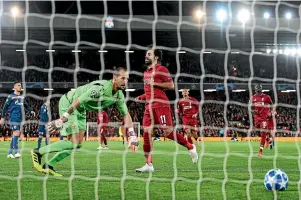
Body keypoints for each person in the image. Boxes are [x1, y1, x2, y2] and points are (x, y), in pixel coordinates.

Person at [30, 67, 138, 176]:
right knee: (73, 142)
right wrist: (63, 118)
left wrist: (132, 134)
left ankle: (49, 165)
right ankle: (38, 152)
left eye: (127, 79)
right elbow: (78, 101)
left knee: (77, 145)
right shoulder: (99, 88)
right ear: (114, 78)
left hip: (81, 109)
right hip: (69, 103)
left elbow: (126, 114)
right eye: (123, 78)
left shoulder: (119, 95)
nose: (125, 81)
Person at [135, 45, 198, 173]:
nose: (146, 56)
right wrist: (142, 97)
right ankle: (148, 164)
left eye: (149, 54)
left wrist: (153, 83)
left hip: (161, 105)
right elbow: (149, 90)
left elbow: (171, 85)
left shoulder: (161, 69)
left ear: (156, 57)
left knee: (167, 132)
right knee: (146, 134)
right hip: (149, 107)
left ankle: (190, 146)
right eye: (146, 54)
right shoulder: (146, 72)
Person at [0, 81, 32, 158]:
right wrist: (2, 118)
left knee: (15, 135)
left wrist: (28, 112)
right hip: (13, 118)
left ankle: (9, 153)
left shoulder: (22, 97)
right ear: (14, 87)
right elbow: (4, 108)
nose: (20, 86)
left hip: (20, 119)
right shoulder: (10, 96)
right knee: (16, 133)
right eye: (18, 85)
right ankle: (16, 152)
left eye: (20, 85)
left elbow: (28, 107)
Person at [249, 84, 273, 157]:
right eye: (257, 91)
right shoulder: (252, 97)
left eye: (259, 91)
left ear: (261, 90)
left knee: (263, 133)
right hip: (256, 118)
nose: (258, 92)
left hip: (264, 118)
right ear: (255, 90)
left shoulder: (267, 97)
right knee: (258, 131)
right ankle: (267, 138)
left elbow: (272, 105)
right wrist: (253, 111)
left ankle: (260, 151)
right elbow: (249, 107)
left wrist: (270, 112)